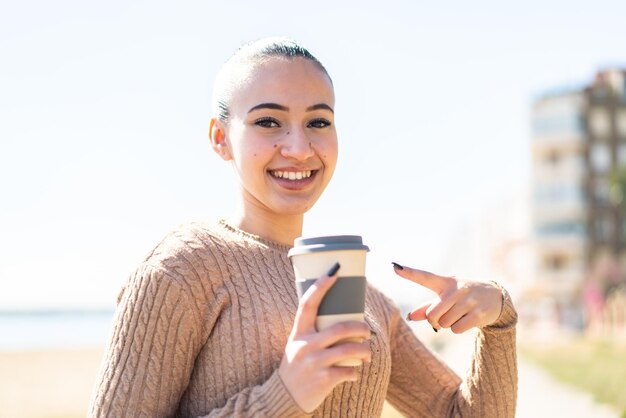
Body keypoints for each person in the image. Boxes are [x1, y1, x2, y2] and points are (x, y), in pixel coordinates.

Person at [88, 37, 518, 418]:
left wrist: (498, 315)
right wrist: (285, 395)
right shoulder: (181, 269)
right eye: (268, 122)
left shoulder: (365, 300)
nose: (298, 148)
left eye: (318, 122)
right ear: (220, 138)